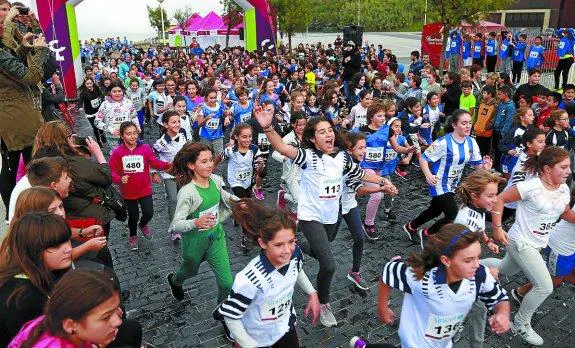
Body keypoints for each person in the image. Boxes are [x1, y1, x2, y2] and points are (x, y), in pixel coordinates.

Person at [253, 106, 397, 327]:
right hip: (311, 216)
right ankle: (324, 303)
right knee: (328, 264)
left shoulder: (342, 158)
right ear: (312, 138)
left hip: (333, 215)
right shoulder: (307, 157)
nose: (328, 134)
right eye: (321, 132)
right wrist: (268, 127)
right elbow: (282, 147)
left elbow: (360, 174)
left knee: (324, 246)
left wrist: (383, 182)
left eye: (329, 130)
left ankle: (297, 245)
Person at [0, 213, 141, 347]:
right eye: (56, 246)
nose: (68, 249)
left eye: (66, 241)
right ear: (32, 250)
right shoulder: (22, 300)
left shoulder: (41, 271)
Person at [485, 146, 575, 345]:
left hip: (537, 244)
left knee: (503, 269)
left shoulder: (563, 188)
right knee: (544, 286)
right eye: (564, 167)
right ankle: (521, 322)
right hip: (521, 242)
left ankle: (472, 265)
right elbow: (500, 199)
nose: (569, 171)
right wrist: (497, 228)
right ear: (547, 168)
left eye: (569, 167)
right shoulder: (531, 187)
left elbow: (566, 214)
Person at [379, 223, 510, 347]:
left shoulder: (479, 275)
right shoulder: (422, 278)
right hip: (413, 342)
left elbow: (499, 298)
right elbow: (388, 272)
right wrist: (383, 308)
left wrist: (502, 313)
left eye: (478, 257)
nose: (477, 264)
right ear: (446, 260)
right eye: (468, 260)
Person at [215, 200, 320, 347]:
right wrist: (247, 344)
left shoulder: (295, 255)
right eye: (278, 245)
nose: (287, 250)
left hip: (285, 327)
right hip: (256, 338)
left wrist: (312, 292)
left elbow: (297, 269)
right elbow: (231, 317)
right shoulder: (249, 279)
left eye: (291, 241)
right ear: (263, 243)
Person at [403, 110, 492, 245]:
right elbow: (423, 159)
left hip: (453, 184)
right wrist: (428, 175)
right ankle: (428, 233)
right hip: (438, 182)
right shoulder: (443, 142)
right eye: (464, 123)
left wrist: (486, 169)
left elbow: (477, 165)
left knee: (435, 210)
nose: (468, 126)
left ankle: (411, 226)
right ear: (455, 125)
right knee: (454, 217)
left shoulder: (472, 142)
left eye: (469, 123)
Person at [166, 143, 237, 307]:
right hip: (194, 242)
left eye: (211, 160)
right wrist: (196, 222)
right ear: (191, 165)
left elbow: (224, 196)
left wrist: (242, 203)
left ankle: (222, 312)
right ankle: (175, 281)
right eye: (204, 162)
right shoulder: (187, 192)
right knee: (189, 271)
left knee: (227, 283)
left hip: (216, 238)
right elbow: (175, 225)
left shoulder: (215, 180)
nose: (210, 164)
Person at [0, 21, 49, 223]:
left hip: (11, 114)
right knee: (29, 162)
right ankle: (31, 210)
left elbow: (10, 70)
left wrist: (22, 49)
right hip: (15, 116)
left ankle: (14, 214)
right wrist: (41, 51)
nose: (4, 25)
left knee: (11, 164)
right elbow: (31, 76)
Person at [8, 270, 125, 348]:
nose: (118, 321)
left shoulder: (48, 321)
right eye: (106, 317)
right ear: (70, 325)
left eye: (116, 309)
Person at [108, 121, 171, 250]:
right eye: (128, 134)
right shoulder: (117, 152)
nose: (133, 136)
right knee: (133, 216)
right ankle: (132, 236)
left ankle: (142, 225)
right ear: (122, 136)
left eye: (135, 133)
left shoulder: (145, 148)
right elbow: (111, 171)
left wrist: (169, 165)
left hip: (144, 189)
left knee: (149, 213)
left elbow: (155, 162)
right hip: (128, 192)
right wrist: (119, 179)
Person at [214, 123, 265, 246]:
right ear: (236, 137)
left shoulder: (254, 149)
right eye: (244, 137)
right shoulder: (230, 151)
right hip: (235, 182)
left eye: (250, 136)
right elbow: (219, 157)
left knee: (243, 204)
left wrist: (261, 166)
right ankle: (246, 235)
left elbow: (259, 168)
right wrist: (212, 167)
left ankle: (236, 215)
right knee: (246, 206)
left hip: (248, 181)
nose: (248, 139)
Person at [152, 110, 190, 242]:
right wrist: (154, 172)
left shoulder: (183, 133)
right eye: (173, 122)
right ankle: (175, 229)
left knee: (184, 198)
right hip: (169, 175)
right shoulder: (162, 142)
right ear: (165, 124)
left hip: (184, 173)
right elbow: (152, 156)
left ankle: (184, 221)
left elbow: (188, 149)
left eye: (178, 121)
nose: (177, 124)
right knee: (173, 200)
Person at [94, 79, 140, 148]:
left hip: (128, 136)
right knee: (116, 156)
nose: (117, 93)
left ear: (123, 91)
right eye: (114, 91)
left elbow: (134, 116)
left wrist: (137, 126)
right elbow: (97, 122)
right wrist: (111, 130)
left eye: (119, 91)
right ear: (110, 92)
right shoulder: (105, 104)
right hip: (112, 137)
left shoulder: (128, 102)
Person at [78, 77, 106, 146]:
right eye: (87, 84)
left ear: (93, 83)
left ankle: (102, 134)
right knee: (95, 127)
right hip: (90, 113)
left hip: (98, 111)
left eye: (90, 83)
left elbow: (101, 95)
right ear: (85, 84)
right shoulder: (83, 93)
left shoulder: (96, 89)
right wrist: (80, 107)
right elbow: (80, 101)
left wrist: (102, 102)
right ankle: (98, 141)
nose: (89, 85)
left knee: (100, 125)